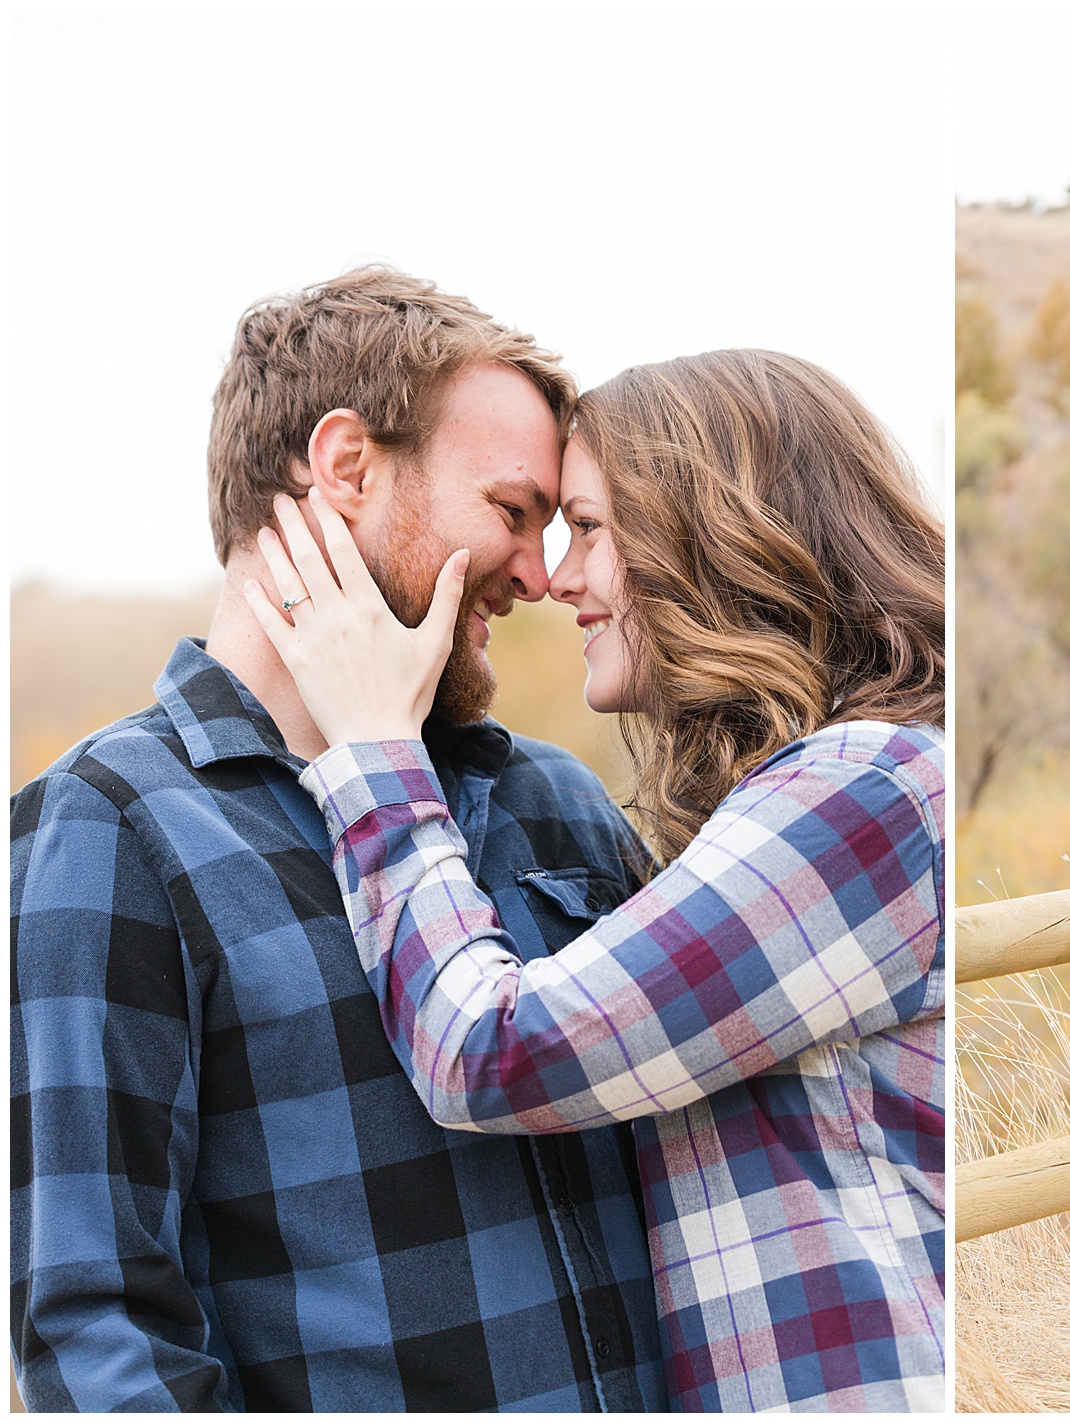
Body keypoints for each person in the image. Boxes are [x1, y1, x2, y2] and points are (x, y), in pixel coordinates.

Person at [10, 269, 673, 1410]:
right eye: (512, 511)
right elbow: (96, 1324)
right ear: (348, 467)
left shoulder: (551, 799)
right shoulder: (112, 821)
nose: (538, 572)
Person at [239, 349, 947, 1411]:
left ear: (712, 532)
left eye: (590, 528)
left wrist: (373, 751)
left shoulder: (866, 792)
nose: (556, 577)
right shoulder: (811, 792)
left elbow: (493, 1051)